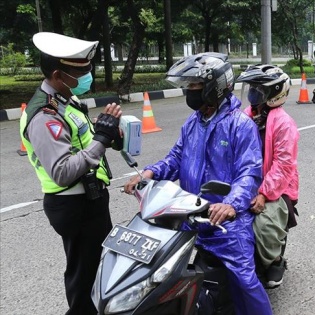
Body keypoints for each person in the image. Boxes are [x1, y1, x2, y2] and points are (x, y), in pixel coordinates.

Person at [123, 53, 273, 315]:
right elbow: (176, 158)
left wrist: (230, 205)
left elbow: (249, 173)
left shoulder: (240, 125)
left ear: (215, 86)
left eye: (195, 86)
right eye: (188, 86)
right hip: (189, 214)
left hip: (226, 223)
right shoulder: (192, 123)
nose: (190, 92)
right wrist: (149, 174)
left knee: (244, 280)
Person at [20, 32, 122, 315]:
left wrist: (110, 134)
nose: (87, 76)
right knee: (84, 283)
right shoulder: (45, 115)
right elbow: (62, 172)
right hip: (74, 205)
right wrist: (101, 140)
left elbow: (84, 141)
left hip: (90, 200)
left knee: (99, 275)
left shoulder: (68, 100)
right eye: (80, 72)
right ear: (57, 74)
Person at [236, 64, 300, 289]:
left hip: (277, 189)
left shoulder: (284, 124)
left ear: (274, 93)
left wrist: (263, 194)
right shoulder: (246, 116)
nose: (253, 92)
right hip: (247, 183)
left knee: (262, 226)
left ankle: (275, 260)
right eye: (252, 87)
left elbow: (283, 166)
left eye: (259, 88)